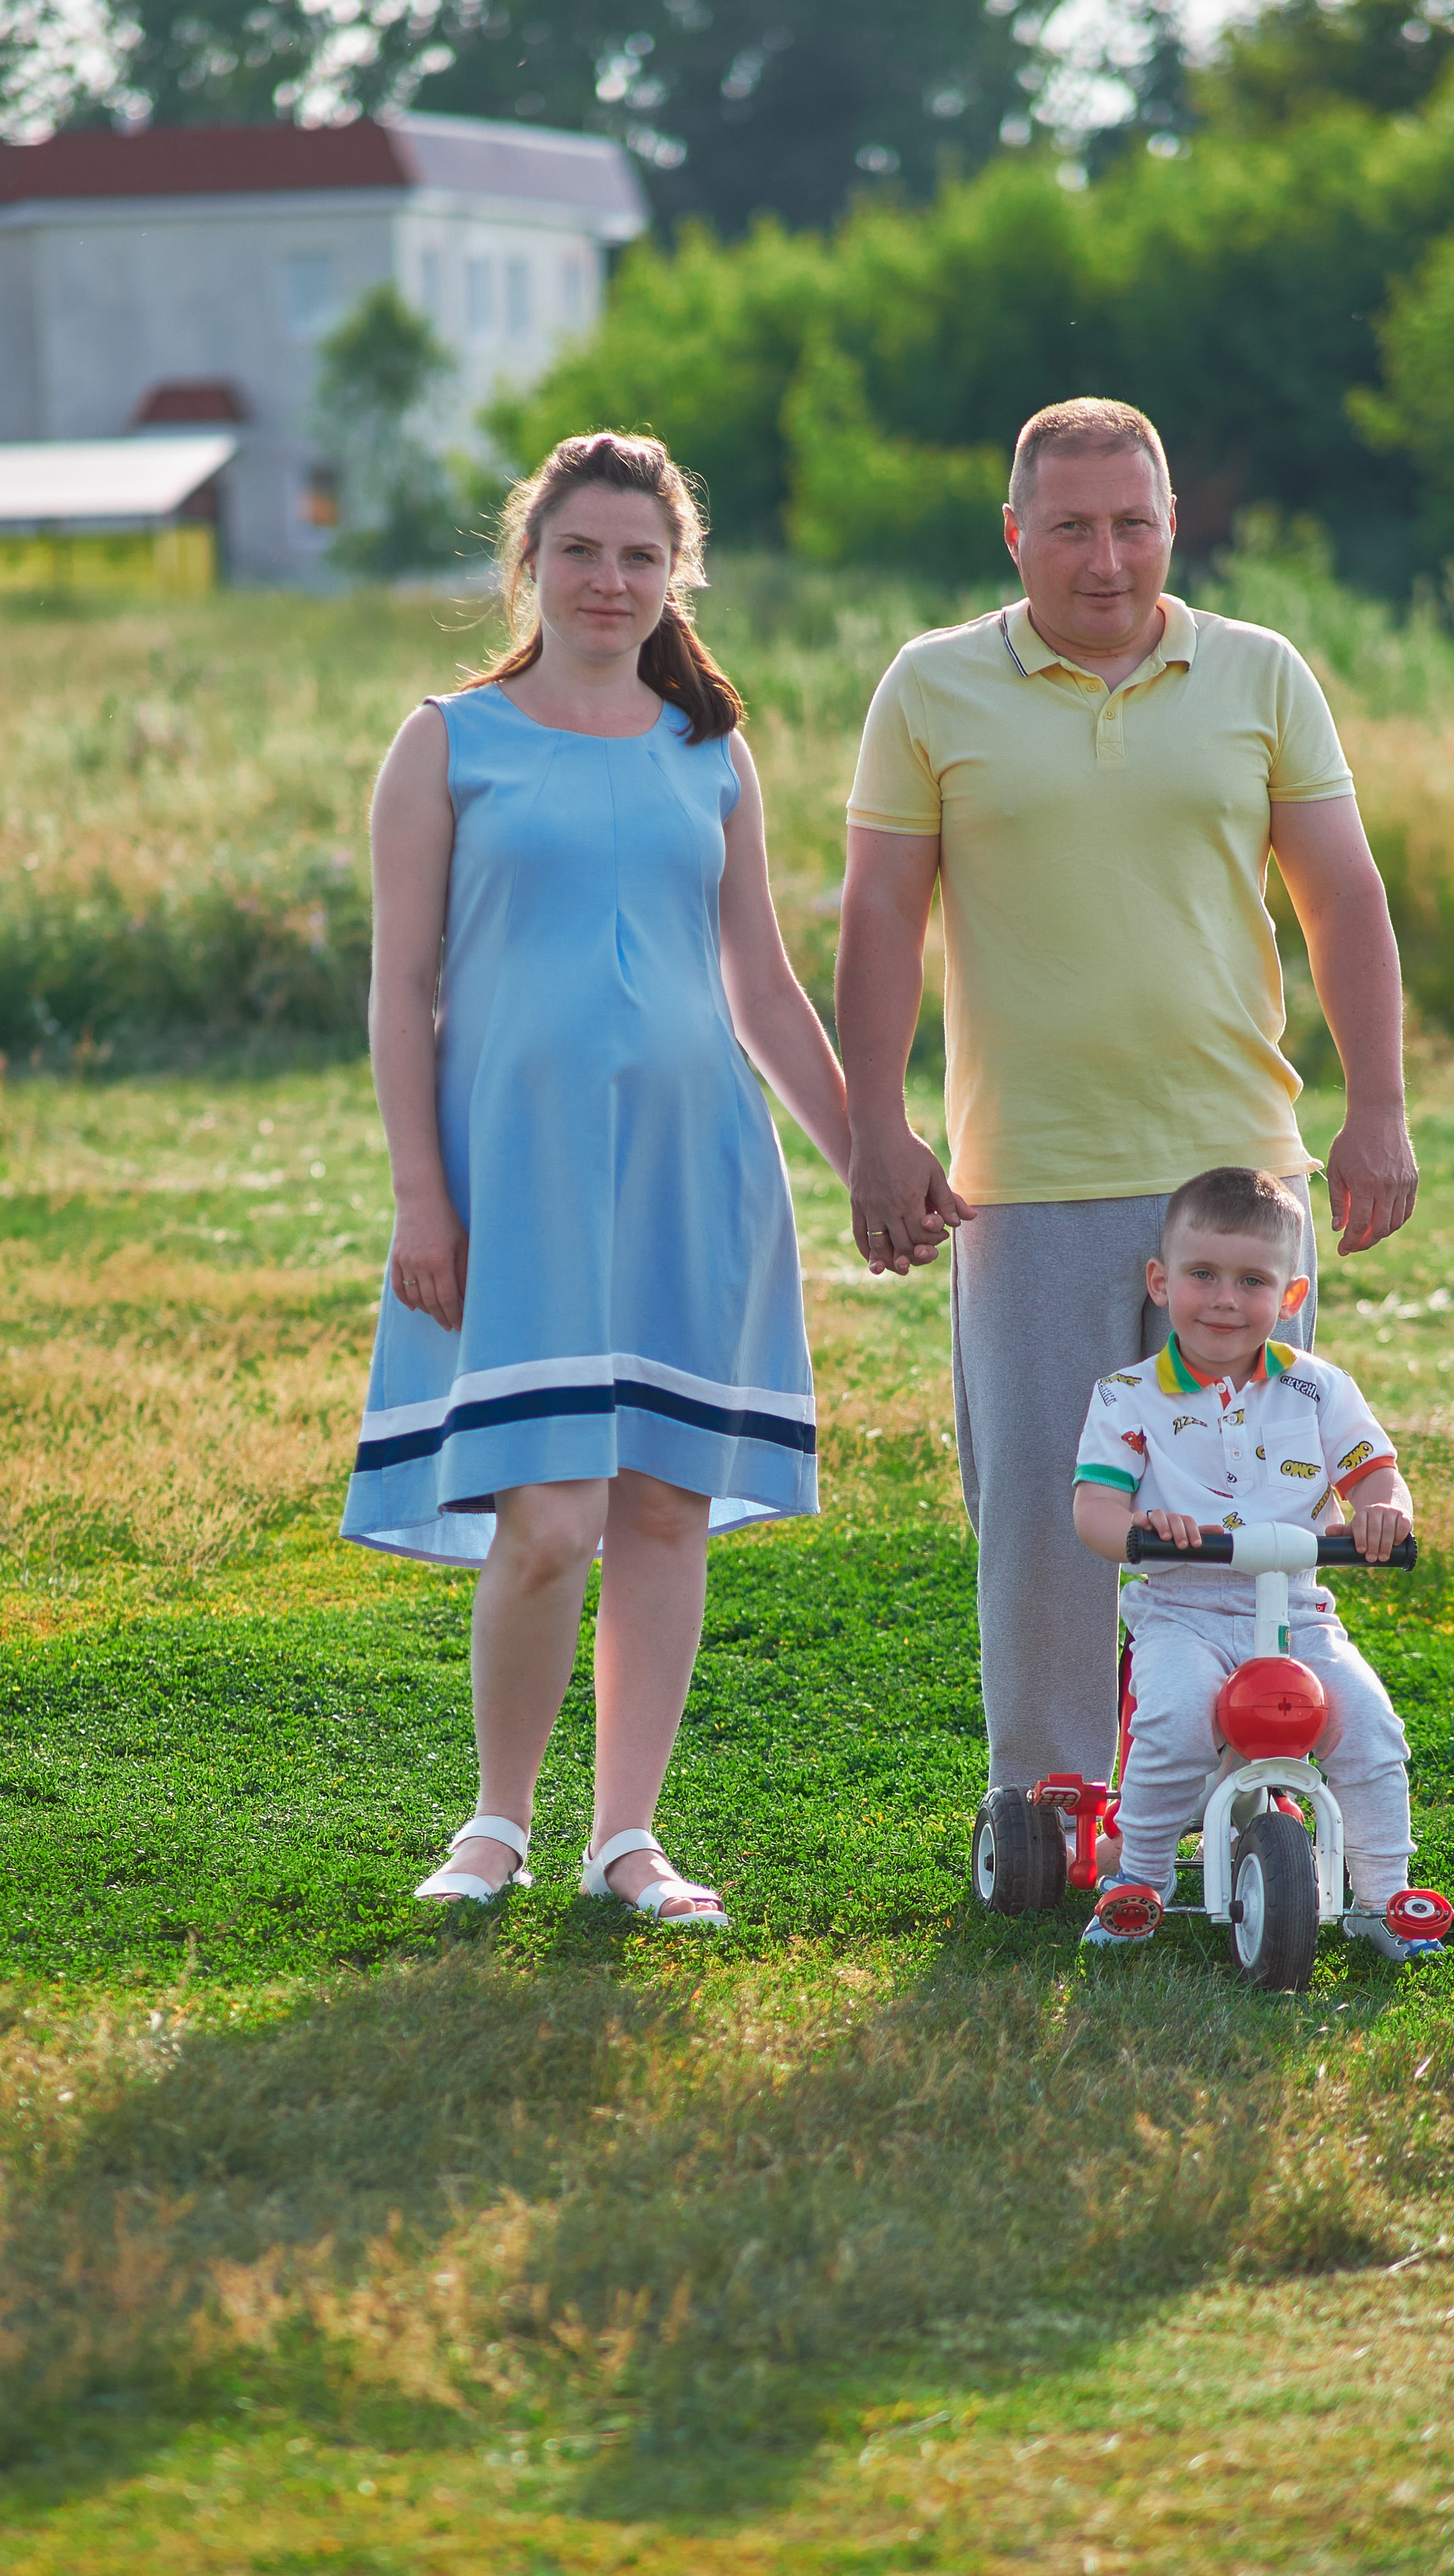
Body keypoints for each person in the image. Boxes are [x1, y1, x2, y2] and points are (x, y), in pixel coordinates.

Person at [837, 395, 1418, 1815]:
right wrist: (875, 1130)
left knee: (1250, 1511)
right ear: (1014, 534)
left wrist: (1376, 1111)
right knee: (1046, 1516)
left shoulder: (1259, 672)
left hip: (1234, 1180)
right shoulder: (929, 686)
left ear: (1170, 522)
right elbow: (876, 917)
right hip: (1022, 1176)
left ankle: (1240, 1792)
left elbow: (1340, 896)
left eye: (1133, 524)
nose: (1105, 560)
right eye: (1072, 528)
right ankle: (1049, 1803)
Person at [341, 432, 849, 1926]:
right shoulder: (449, 740)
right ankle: (494, 1821)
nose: (610, 581)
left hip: (695, 1174)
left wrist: (869, 1156)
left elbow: (761, 987)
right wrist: (420, 1198)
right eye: (582, 551)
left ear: (673, 572)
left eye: (640, 556)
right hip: (519, 1181)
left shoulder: (711, 749)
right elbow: (399, 991)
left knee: (663, 1514)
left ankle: (625, 1838)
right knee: (550, 1515)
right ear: (531, 562)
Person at [1069, 1165, 1439, 1961]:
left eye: (1251, 1281)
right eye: (1202, 1275)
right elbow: (1093, 1511)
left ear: (1291, 1297)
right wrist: (1138, 1528)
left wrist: (1384, 1509)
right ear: (1160, 1283)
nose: (1225, 1300)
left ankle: (1382, 1899)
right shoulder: (1126, 1396)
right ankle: (1136, 1881)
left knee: (1369, 1726)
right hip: (1183, 1612)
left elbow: (1375, 1473)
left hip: (1297, 1612)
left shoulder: (1317, 1390)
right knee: (1171, 1719)